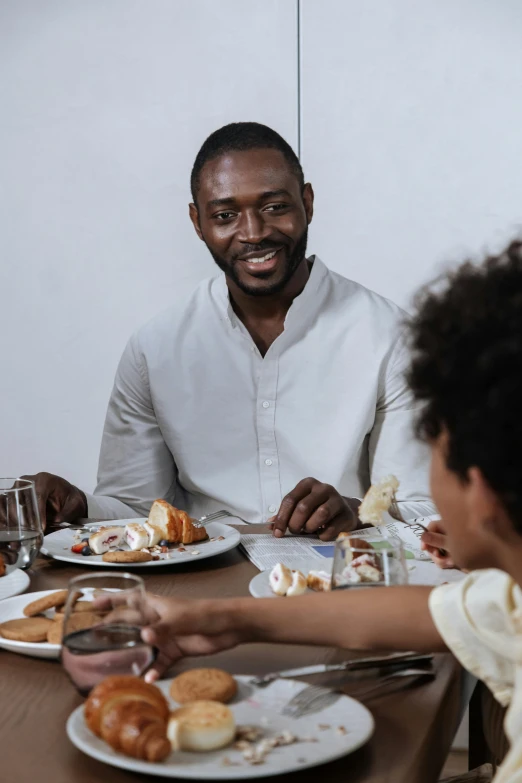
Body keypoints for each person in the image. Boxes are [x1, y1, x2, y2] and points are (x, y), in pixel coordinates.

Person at [137, 242, 522, 783]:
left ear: (478, 492)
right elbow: (420, 615)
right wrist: (220, 619)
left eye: (431, 447)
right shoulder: (510, 601)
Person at [23, 122, 433, 539]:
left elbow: (424, 509)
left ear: (307, 203)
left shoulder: (389, 336)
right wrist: (77, 505)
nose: (253, 233)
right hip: (199, 585)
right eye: (225, 215)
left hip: (336, 581)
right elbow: (134, 510)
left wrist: (357, 511)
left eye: (275, 207)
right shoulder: (155, 349)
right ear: (197, 222)